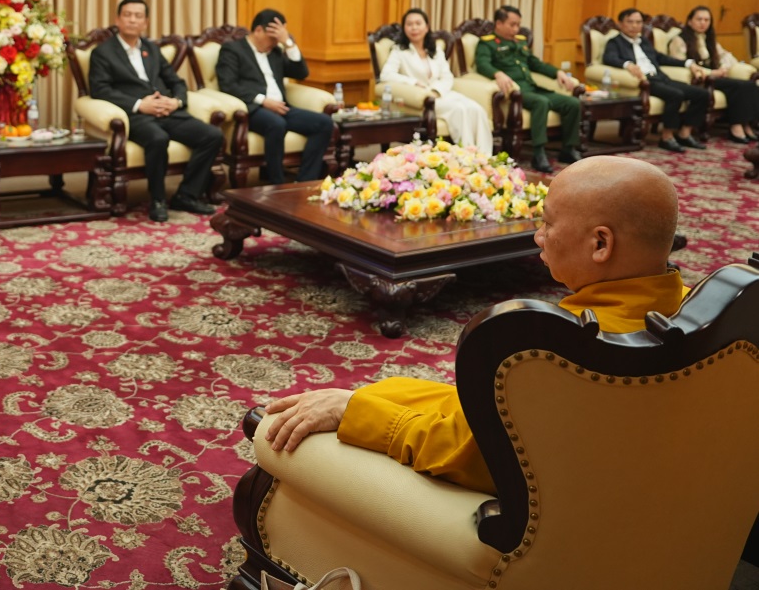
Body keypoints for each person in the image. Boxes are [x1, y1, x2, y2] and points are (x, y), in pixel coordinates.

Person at [259, 155, 684, 494]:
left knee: (284, 433)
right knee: (388, 389)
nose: (538, 236)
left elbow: (465, 453)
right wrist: (365, 398)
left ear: (600, 243)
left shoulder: (558, 351)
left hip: (513, 510)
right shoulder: (688, 310)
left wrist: (349, 411)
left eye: (548, 223)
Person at [88, 0, 223, 222]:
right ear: (117, 20)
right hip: (136, 115)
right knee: (158, 139)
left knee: (212, 136)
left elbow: (176, 82)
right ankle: (158, 199)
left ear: (146, 22)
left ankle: (186, 195)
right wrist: (140, 105)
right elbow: (100, 90)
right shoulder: (103, 52)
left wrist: (176, 102)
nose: (132, 20)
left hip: (167, 111)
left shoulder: (152, 49)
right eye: (127, 15)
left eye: (138, 16)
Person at [215, 8, 333, 183]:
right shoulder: (233, 50)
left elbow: (301, 73)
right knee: (276, 124)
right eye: (273, 38)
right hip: (253, 109)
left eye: (278, 39)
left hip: (281, 107)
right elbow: (228, 85)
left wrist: (289, 44)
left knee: (324, 123)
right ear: (258, 30)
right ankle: (276, 183)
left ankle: (304, 181)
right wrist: (263, 101)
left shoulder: (276, 52)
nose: (275, 42)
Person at [474, 4, 582, 173]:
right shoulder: (487, 43)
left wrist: (557, 72)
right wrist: (498, 74)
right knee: (541, 102)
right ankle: (538, 154)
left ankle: (568, 149)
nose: (516, 29)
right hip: (515, 91)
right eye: (512, 24)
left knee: (572, 103)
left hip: (532, 87)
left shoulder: (520, 42)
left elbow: (535, 64)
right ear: (499, 24)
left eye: (518, 24)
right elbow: (482, 64)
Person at [379, 8, 493, 157]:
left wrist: (437, 90)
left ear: (426, 27)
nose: (414, 28)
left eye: (418, 23)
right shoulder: (399, 51)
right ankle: (466, 156)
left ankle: (485, 156)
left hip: (441, 93)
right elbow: (386, 75)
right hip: (422, 98)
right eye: (409, 24)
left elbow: (447, 76)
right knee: (459, 110)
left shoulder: (435, 50)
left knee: (476, 108)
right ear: (404, 28)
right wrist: (413, 82)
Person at [602, 7, 709, 153]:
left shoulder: (644, 41)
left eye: (638, 22)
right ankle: (667, 137)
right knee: (675, 95)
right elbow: (609, 58)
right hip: (646, 82)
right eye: (630, 22)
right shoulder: (615, 42)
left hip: (660, 77)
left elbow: (661, 58)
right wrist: (627, 65)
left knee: (701, 94)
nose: (635, 26)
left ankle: (685, 133)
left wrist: (688, 63)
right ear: (620, 24)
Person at [666, 5, 758, 143]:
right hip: (700, 78)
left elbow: (725, 56)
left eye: (706, 20)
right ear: (690, 21)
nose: (703, 23)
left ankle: (746, 125)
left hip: (715, 76)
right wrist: (712, 72)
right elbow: (681, 64)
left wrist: (724, 68)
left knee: (750, 85)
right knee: (739, 86)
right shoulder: (680, 40)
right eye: (699, 19)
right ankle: (736, 127)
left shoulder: (708, 38)